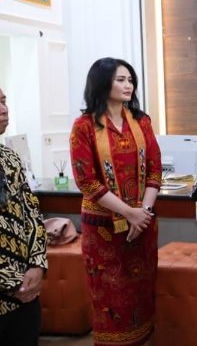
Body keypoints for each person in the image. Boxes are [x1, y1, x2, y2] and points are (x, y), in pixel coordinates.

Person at [69, 58, 162, 346]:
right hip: (104, 230)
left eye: (130, 80)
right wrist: (128, 213)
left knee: (142, 294)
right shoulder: (84, 126)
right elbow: (86, 180)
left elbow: (155, 170)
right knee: (110, 299)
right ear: (102, 83)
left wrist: (143, 213)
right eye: (120, 79)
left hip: (142, 224)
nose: (128, 85)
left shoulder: (141, 121)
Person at [0, 88, 47, 346]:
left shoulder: (10, 158)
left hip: (24, 297)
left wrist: (37, 265)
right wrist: (13, 281)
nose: (4, 110)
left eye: (4, 101)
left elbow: (32, 214)